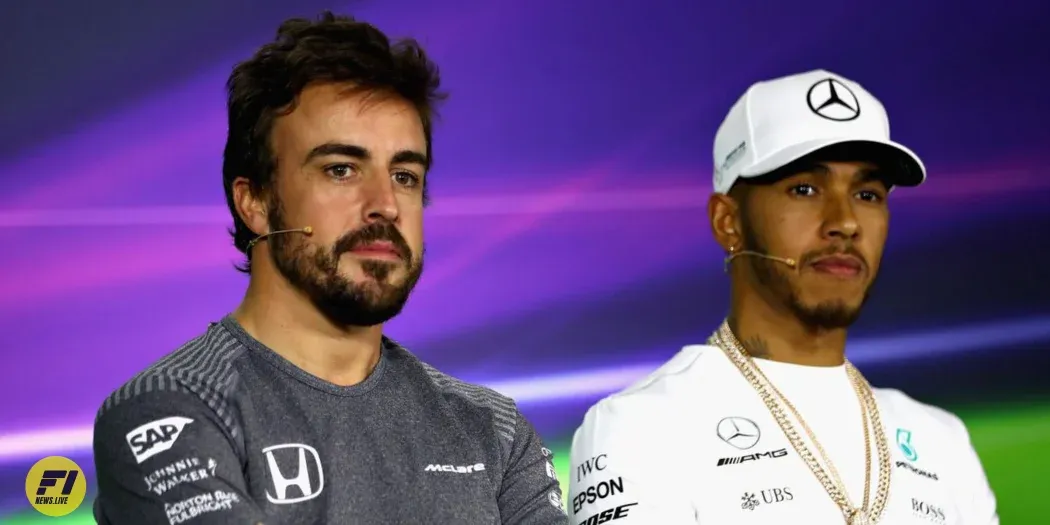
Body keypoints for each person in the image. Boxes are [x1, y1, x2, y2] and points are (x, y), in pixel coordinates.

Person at [91, 12, 567, 525]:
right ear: (254, 202)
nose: (385, 204)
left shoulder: (492, 429)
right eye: (341, 169)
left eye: (405, 175)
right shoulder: (168, 410)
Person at [567, 70, 999, 524]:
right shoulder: (641, 427)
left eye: (868, 193)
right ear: (727, 221)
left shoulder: (942, 441)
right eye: (805, 189)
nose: (846, 222)